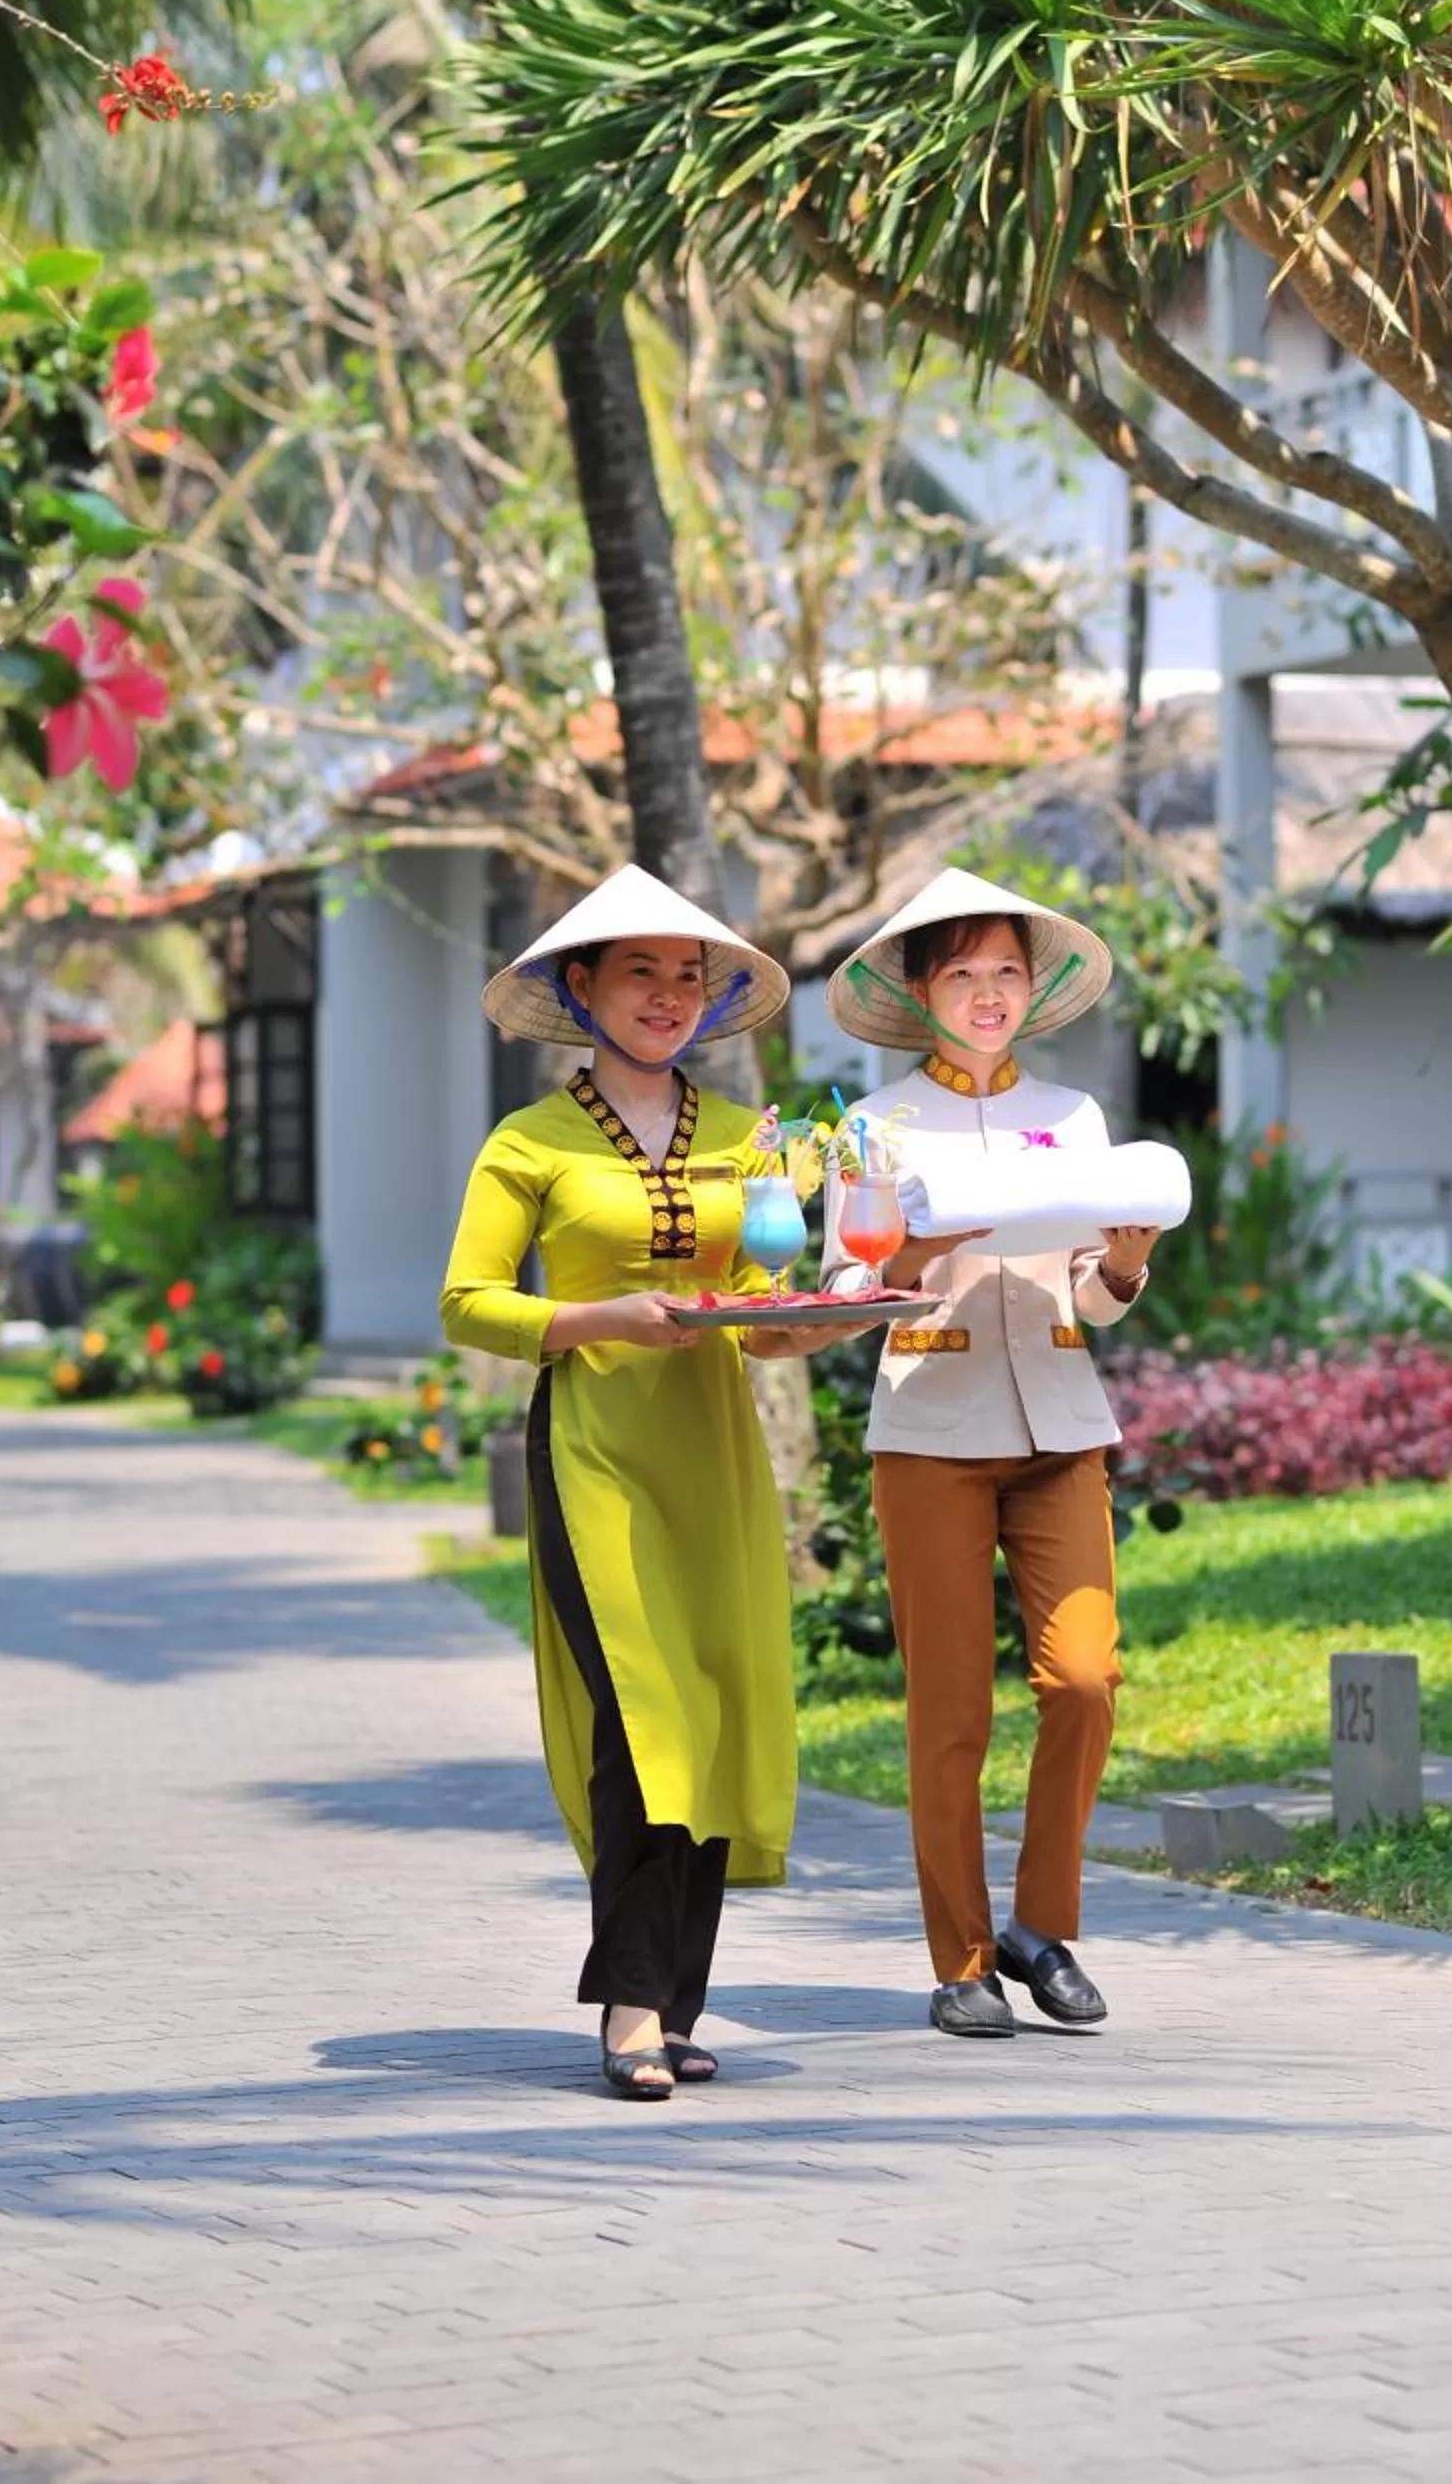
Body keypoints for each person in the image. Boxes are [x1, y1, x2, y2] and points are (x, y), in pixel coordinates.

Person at [441, 864, 876, 2100]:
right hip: (591, 1448)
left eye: (690, 976)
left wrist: (818, 1323)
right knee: (643, 1720)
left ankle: (675, 2005)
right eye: (642, 972)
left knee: (714, 1704)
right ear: (580, 987)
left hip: (712, 1448)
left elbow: (767, 1306)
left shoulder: (748, 1138)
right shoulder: (528, 1141)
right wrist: (603, 1318)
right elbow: (468, 1302)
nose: (670, 996)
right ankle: (631, 2008)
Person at [820, 867, 1163, 2039]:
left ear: (1036, 984)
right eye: (959, 971)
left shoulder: (1073, 1119)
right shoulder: (872, 1123)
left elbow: (1093, 1284)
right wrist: (907, 1258)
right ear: (918, 990)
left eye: (1005, 970)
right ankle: (960, 1959)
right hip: (928, 1426)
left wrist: (1120, 1269)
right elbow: (842, 1284)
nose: (984, 992)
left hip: (1061, 1423)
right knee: (949, 1708)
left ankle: (1039, 1926)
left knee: (1084, 1681)